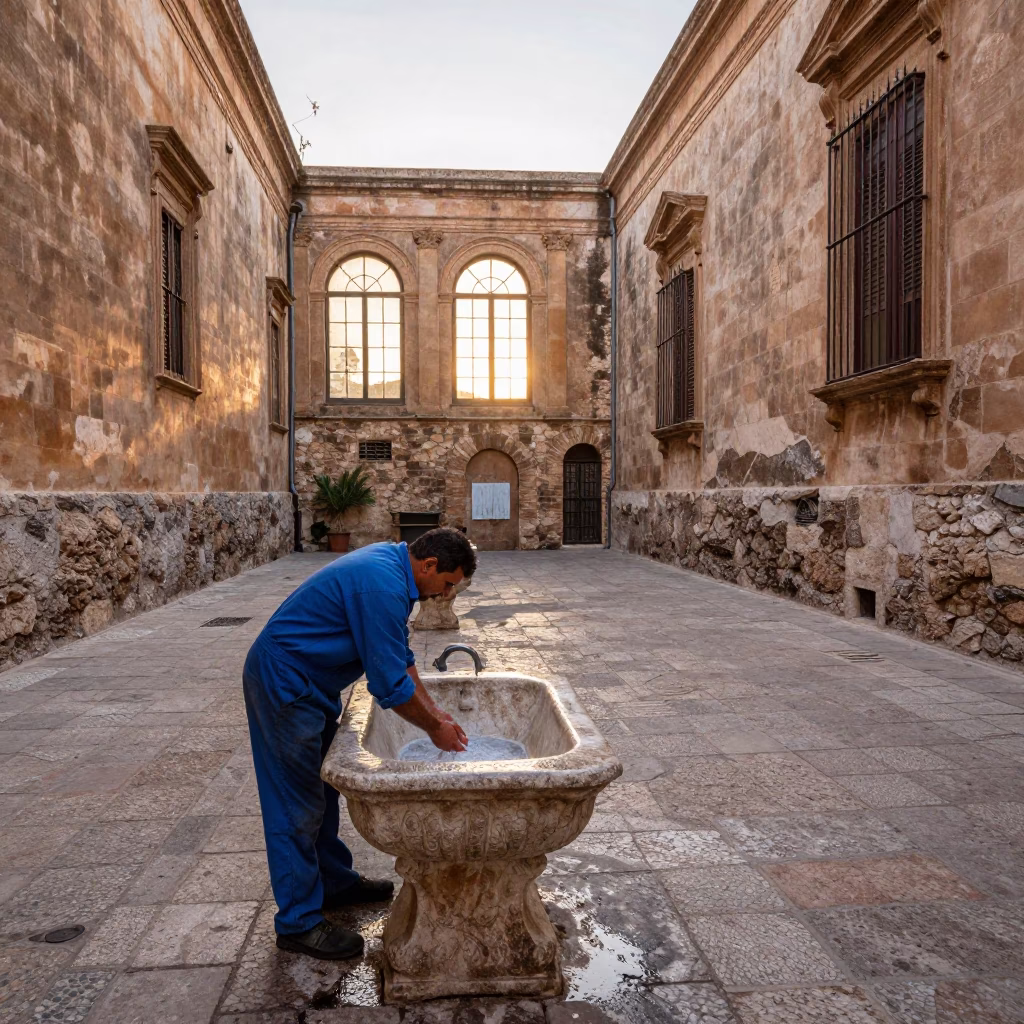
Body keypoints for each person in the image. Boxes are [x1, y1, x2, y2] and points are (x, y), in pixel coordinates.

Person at [243, 527, 477, 960]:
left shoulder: (393, 570)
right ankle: (298, 922)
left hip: (309, 683)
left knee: (323, 789)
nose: (445, 595)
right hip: (284, 683)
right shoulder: (382, 586)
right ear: (429, 565)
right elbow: (388, 684)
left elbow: (401, 659)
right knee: (295, 804)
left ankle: (333, 882)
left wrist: (437, 713)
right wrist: (433, 728)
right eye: (447, 584)